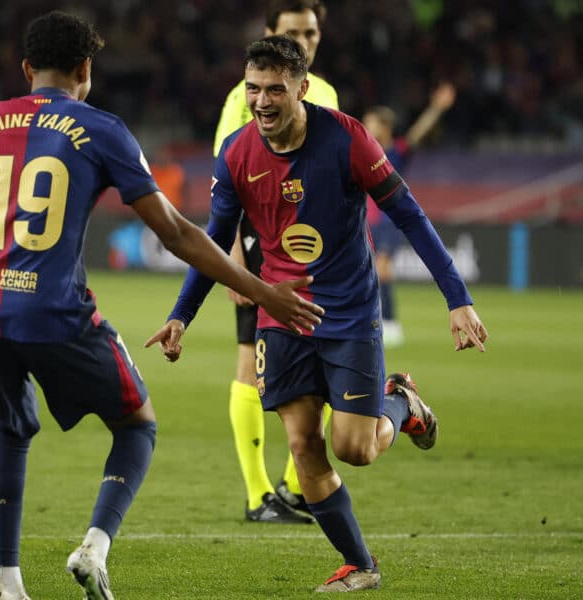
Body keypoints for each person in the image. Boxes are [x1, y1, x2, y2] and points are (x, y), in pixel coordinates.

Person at [0, 12, 322, 600]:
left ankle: (6, 583)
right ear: (86, 69)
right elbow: (176, 232)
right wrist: (263, 290)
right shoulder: (103, 129)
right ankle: (94, 547)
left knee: (10, 427)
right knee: (137, 424)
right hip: (50, 308)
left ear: (26, 68)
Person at [146, 36, 487, 592]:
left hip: (349, 311)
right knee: (303, 444)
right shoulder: (235, 153)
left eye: (275, 89)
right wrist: (182, 314)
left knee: (355, 449)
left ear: (302, 88)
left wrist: (457, 297)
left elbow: (408, 214)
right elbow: (214, 241)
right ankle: (361, 564)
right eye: (253, 89)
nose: (262, 101)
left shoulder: (348, 138)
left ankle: (399, 404)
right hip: (281, 314)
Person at [212, 0, 338, 525]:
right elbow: (228, 170)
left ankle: (294, 485)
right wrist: (234, 252)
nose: (304, 41)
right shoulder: (247, 96)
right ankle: (259, 492)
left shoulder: (325, 93)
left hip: (317, 251)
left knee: (328, 356)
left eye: (310, 32)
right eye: (292, 32)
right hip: (262, 244)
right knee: (250, 358)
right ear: (269, 34)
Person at [362, 82, 457, 347]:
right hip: (366, 222)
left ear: (385, 126)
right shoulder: (363, 151)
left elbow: (419, 132)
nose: (366, 127)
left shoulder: (397, 151)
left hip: (390, 222)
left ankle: (391, 324)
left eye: (371, 123)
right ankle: (377, 322)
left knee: (383, 271)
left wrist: (437, 108)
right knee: (370, 274)